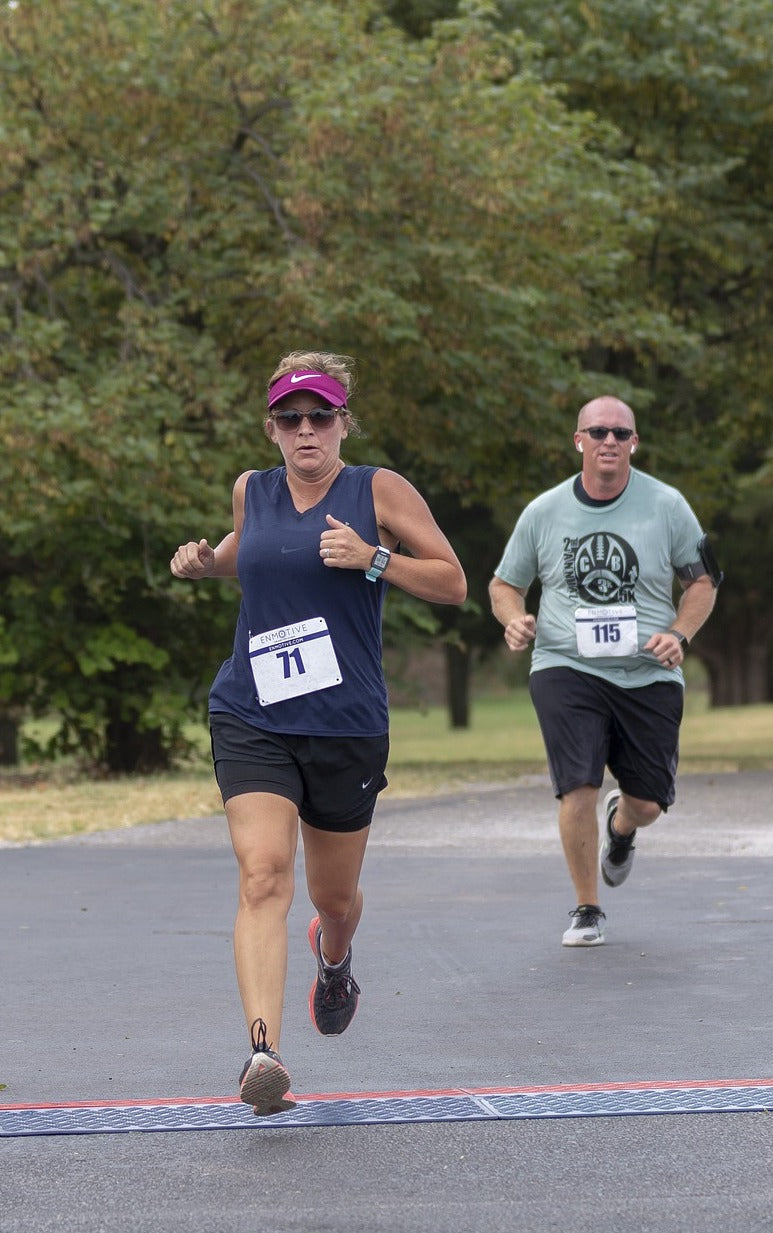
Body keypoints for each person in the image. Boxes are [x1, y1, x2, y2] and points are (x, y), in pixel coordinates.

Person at [170, 350, 466, 1116]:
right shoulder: (252, 489)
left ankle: (334, 957)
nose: (306, 429)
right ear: (271, 427)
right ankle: (263, 1054)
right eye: (290, 417)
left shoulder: (377, 490)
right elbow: (247, 554)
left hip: (344, 724)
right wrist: (204, 562)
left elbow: (452, 581)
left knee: (333, 896)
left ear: (342, 422)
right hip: (252, 711)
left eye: (320, 415)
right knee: (263, 874)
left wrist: (374, 558)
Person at [488, 396, 719, 947]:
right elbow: (504, 584)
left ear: (635, 442)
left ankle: (623, 825)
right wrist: (514, 619)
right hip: (565, 664)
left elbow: (703, 581)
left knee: (648, 803)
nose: (608, 441)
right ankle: (587, 908)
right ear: (579, 441)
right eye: (597, 432)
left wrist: (679, 634)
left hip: (648, 670)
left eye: (620, 433)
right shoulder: (544, 511)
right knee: (577, 786)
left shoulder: (667, 505)